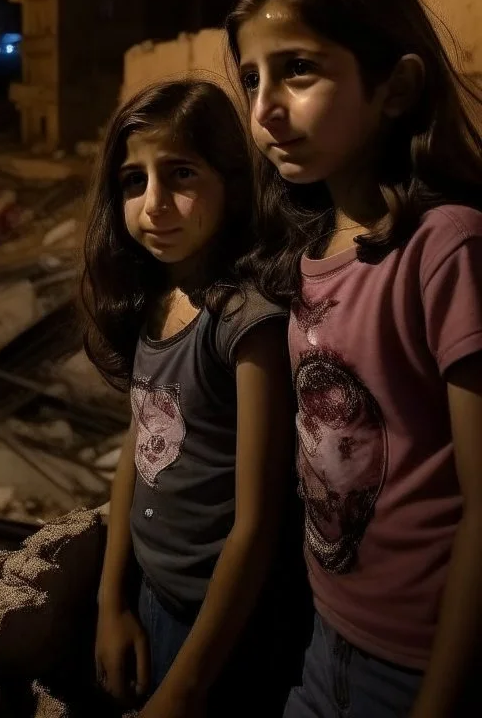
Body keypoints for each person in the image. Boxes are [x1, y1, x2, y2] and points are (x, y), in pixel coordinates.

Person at [228, 0, 482, 718]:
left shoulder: (446, 250)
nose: (266, 107)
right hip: (326, 637)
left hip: (425, 664)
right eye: (250, 80)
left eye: (298, 71)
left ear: (396, 88)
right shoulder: (304, 255)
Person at [82, 79, 305, 718]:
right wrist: (113, 601)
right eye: (132, 181)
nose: (154, 204)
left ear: (231, 182)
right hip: (156, 597)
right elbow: (140, 444)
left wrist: (184, 688)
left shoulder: (244, 322)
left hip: (226, 623)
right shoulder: (158, 302)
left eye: (180, 174)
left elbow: (257, 523)